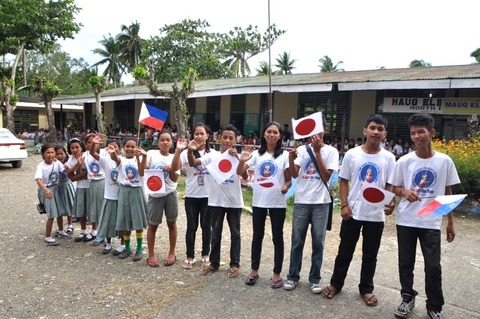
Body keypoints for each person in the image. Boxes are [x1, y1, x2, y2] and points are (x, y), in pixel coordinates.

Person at [389, 113, 459, 319]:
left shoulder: (444, 161)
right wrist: (403, 192)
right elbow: (393, 186)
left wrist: (450, 222)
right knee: (405, 263)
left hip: (431, 219)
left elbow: (447, 191)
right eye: (413, 133)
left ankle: (435, 306)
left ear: (432, 133)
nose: (417, 136)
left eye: (421, 132)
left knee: (433, 266)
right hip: (406, 220)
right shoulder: (404, 161)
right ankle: (407, 297)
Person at [321, 114, 396, 307]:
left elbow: (390, 184)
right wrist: (344, 205)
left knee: (370, 255)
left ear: (385, 134)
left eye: (380, 129)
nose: (376, 132)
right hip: (353, 213)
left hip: (376, 215)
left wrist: (390, 202)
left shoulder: (388, 158)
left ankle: (366, 289)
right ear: (365, 130)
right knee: (344, 251)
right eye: (372, 127)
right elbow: (344, 180)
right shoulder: (352, 154)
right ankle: (336, 284)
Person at [284, 119, 339, 293]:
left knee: (318, 242)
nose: (316, 132)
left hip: (321, 203)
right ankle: (293, 276)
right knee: (297, 241)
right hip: (301, 201)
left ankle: (315, 279)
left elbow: (326, 177)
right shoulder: (301, 149)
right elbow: (294, 174)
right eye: (313, 128)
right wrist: (291, 160)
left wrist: (318, 152)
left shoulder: (331, 151)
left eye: (319, 128)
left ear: (325, 129)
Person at [237, 122, 291, 288]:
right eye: (269, 131)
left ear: (280, 136)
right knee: (257, 236)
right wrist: (242, 160)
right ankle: (254, 270)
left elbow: (289, 179)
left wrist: (286, 187)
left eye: (275, 132)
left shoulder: (284, 156)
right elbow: (241, 173)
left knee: (277, 237)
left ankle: (276, 273)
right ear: (264, 134)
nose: (272, 135)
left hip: (277, 202)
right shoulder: (256, 155)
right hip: (259, 201)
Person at [188, 124, 247, 277]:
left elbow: (245, 177)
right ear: (220, 138)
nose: (227, 141)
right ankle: (214, 263)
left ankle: (234, 264)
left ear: (236, 140)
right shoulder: (212, 156)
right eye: (225, 137)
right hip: (215, 201)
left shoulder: (240, 156)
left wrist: (238, 159)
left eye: (231, 138)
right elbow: (194, 163)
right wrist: (190, 150)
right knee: (216, 233)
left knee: (235, 233)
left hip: (234, 201)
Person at [171, 123, 217, 270]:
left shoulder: (213, 154)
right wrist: (179, 151)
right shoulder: (186, 153)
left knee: (206, 227)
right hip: (191, 195)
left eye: (201, 133)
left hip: (208, 196)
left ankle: (205, 255)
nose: (198, 136)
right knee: (192, 226)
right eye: (196, 134)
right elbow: (175, 167)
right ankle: (189, 256)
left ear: (207, 136)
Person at [141, 131, 179, 267]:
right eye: (162, 140)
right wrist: (144, 158)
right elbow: (142, 172)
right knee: (153, 225)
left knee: (171, 223)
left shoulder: (174, 157)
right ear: (158, 142)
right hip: (155, 195)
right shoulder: (151, 154)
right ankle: (151, 255)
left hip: (170, 193)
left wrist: (171, 170)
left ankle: (172, 252)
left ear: (171, 142)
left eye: (168, 140)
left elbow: (175, 179)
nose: (165, 142)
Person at [109, 138, 149, 261]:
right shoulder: (122, 160)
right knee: (125, 220)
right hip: (124, 191)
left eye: (133, 147)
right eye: (127, 146)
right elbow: (115, 158)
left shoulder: (141, 160)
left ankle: (139, 248)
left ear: (137, 147)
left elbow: (141, 173)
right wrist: (113, 152)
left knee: (137, 221)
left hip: (136, 191)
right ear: (123, 148)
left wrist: (141, 158)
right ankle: (127, 248)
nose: (130, 149)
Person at [89, 136, 125, 255]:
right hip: (109, 196)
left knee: (122, 222)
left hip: (121, 197)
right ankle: (108, 243)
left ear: (119, 149)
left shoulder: (123, 161)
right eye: (110, 147)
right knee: (108, 221)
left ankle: (122, 244)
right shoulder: (105, 160)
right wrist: (94, 144)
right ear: (106, 149)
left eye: (115, 147)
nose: (113, 149)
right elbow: (92, 153)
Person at [35, 143, 65, 246]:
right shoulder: (41, 166)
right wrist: (45, 190)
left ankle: (61, 231)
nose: (51, 155)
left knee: (60, 211)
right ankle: (47, 237)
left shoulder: (56, 163)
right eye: (48, 152)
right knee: (52, 214)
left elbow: (64, 170)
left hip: (56, 189)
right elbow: (38, 180)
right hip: (47, 190)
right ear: (43, 154)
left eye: (52, 152)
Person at [65, 138, 92, 242]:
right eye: (72, 148)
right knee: (81, 211)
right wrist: (78, 165)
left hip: (89, 186)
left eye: (77, 147)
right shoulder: (71, 159)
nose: (75, 149)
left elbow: (88, 173)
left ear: (82, 147)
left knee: (92, 210)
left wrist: (77, 175)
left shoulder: (88, 156)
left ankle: (95, 231)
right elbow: (70, 176)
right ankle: (83, 231)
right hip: (80, 187)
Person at [85, 133, 105, 245]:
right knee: (93, 207)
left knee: (102, 207)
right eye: (89, 142)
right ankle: (94, 230)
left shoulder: (103, 154)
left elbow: (94, 153)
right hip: (92, 183)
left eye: (95, 142)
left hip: (102, 182)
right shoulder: (84, 155)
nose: (92, 144)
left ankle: (103, 232)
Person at [54, 144, 75, 237]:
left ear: (65, 154)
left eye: (61, 154)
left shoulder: (68, 163)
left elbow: (69, 171)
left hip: (67, 187)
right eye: (57, 154)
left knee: (69, 206)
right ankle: (60, 229)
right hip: (57, 188)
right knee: (59, 209)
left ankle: (70, 225)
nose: (59, 156)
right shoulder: (53, 164)